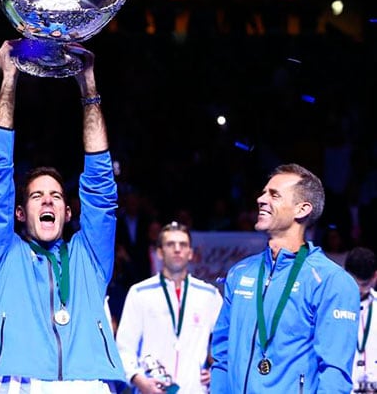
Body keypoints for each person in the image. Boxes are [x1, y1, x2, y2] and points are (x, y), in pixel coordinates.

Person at [0, 40, 125, 393]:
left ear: (68, 211)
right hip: (19, 381)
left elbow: (101, 188)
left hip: (88, 381)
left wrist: (88, 85)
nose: (47, 202)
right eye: (37, 196)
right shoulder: (0, 257)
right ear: (19, 212)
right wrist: (9, 79)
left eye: (56, 196)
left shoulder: (89, 256)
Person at [211, 163, 360, 393]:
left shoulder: (331, 281)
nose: (261, 199)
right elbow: (222, 356)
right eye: (262, 193)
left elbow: (334, 373)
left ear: (302, 209)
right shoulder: (240, 273)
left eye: (274, 195)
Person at [115, 221, 222, 393]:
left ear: (190, 253)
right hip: (151, 389)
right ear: (159, 252)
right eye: (170, 244)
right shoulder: (140, 293)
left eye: (183, 244)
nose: (177, 249)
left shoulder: (209, 295)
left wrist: (219, 370)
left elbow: (226, 342)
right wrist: (139, 380)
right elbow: (124, 348)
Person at [344, 246, 377, 392]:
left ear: (375, 277)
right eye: (354, 283)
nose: (358, 290)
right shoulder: (330, 308)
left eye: (364, 284)